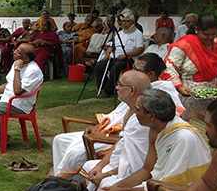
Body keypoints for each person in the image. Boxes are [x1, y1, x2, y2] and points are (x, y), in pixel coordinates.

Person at [53, 55, 183, 180]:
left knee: (77, 156)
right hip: (114, 136)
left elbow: (137, 149)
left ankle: (68, 187)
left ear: (150, 75)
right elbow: (116, 115)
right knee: (60, 140)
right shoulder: (136, 93)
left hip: (119, 145)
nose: (116, 87)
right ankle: (60, 183)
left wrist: (107, 138)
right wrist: (99, 126)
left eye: (137, 69)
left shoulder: (153, 101)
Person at [81, 71, 152, 191]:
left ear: (132, 90)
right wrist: (100, 165)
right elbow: (120, 144)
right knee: (90, 166)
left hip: (135, 173)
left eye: (120, 84)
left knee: (106, 182)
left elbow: (138, 163)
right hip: (122, 166)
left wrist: (106, 173)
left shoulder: (143, 120)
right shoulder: (131, 111)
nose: (117, 87)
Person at [164, 13, 217, 117]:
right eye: (206, 34)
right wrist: (179, 87)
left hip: (216, 99)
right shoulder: (185, 44)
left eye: (214, 34)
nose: (210, 38)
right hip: (190, 96)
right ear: (196, 30)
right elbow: (169, 67)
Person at [94, 9, 145, 97]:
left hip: (128, 58)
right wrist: (108, 52)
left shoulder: (137, 33)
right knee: (99, 65)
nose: (124, 23)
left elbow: (140, 49)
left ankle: (108, 91)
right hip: (115, 56)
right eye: (123, 21)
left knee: (116, 67)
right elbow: (113, 45)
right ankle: (103, 87)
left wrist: (125, 55)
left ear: (132, 21)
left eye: (127, 21)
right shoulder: (120, 33)